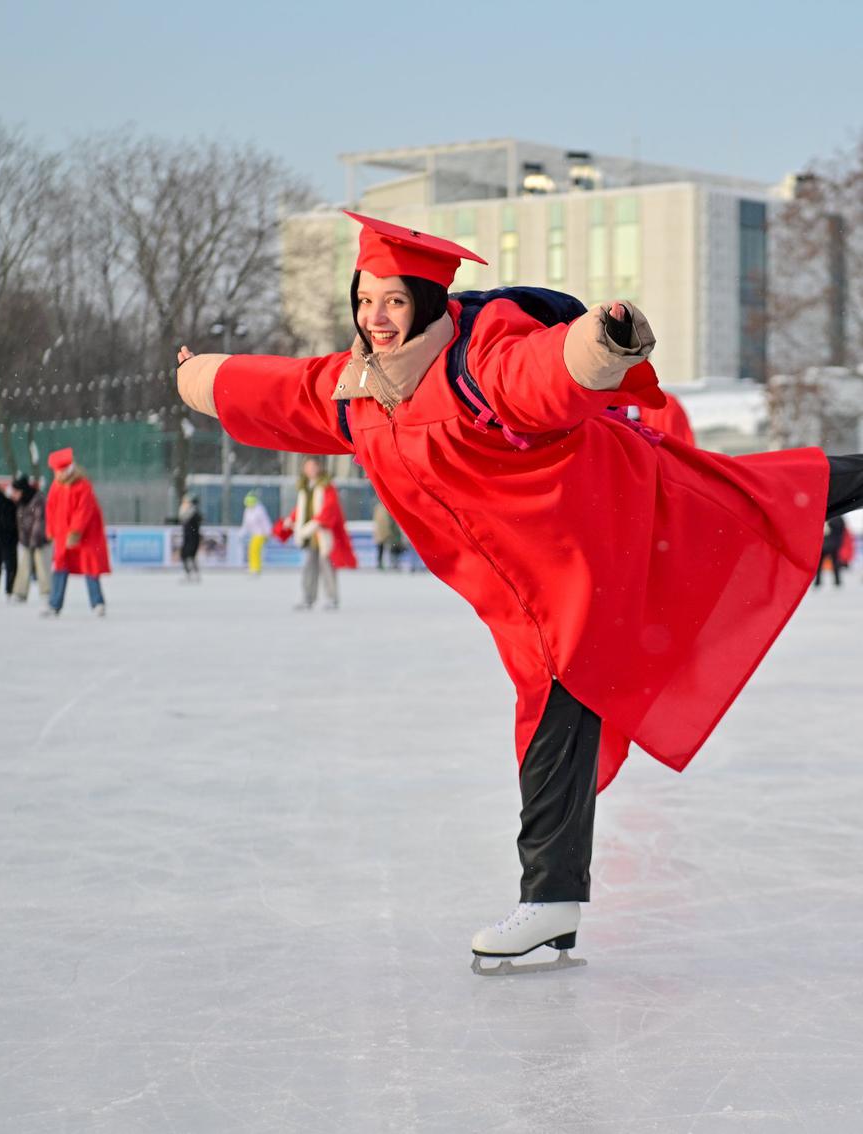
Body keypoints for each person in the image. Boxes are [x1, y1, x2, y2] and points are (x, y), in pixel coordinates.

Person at [176, 212, 863, 972]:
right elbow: (280, 390)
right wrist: (198, 377)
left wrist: (601, 342)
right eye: (366, 299)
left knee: (571, 689)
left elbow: (541, 374)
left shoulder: (480, 366)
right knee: (760, 492)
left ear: (430, 306)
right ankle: (553, 902)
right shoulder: (357, 392)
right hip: (540, 576)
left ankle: (549, 902)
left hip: (588, 543)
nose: (376, 317)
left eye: (395, 301)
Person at [271, 457, 357, 610]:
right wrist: (291, 520)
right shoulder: (305, 487)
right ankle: (308, 597)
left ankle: (332, 598)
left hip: (323, 533)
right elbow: (302, 509)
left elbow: (330, 508)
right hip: (310, 535)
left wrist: (317, 522)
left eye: (313, 466)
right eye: (308, 466)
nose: (310, 469)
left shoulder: (326, 486)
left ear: (319, 468)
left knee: (327, 566)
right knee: (309, 566)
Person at [43, 447, 111, 617]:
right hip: (61, 534)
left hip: (86, 536)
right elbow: (50, 509)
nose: (56, 475)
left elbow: (84, 510)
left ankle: (98, 603)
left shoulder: (83, 486)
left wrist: (75, 532)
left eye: (58, 472)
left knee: (90, 567)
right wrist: (51, 529)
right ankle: (54, 604)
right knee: (60, 566)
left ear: (67, 471)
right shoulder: (56, 487)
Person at [10, 474, 51, 604]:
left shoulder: (38, 499)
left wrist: (34, 541)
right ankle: (20, 593)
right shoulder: (21, 501)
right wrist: (24, 540)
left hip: (41, 540)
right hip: (27, 541)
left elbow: (40, 522)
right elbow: (21, 523)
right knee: (24, 566)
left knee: (42, 566)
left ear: (22, 490)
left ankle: (46, 592)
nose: (14, 494)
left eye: (16, 491)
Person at [239, 491, 272, 575]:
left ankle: (256, 568)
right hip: (254, 534)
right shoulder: (247, 511)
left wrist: (268, 533)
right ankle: (253, 567)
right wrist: (242, 533)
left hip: (261, 534)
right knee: (252, 550)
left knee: (255, 550)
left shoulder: (259, 509)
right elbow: (245, 524)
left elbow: (265, 522)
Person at [814, 515, 847, 587]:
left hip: (824, 545)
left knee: (819, 564)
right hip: (833, 544)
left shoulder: (825, 516)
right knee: (835, 563)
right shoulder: (839, 517)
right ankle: (837, 581)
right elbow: (842, 531)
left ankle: (818, 582)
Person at [372, 498, 404, 569]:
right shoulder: (380, 508)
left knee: (389, 548)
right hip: (383, 531)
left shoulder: (382, 507)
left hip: (386, 531)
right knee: (383, 548)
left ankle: (391, 563)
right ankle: (383, 563)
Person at [178, 493, 202, 582]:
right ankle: (188, 573)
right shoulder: (186, 512)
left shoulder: (194, 513)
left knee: (190, 556)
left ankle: (194, 574)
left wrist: (192, 530)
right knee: (185, 555)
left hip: (193, 538)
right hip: (187, 538)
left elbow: (194, 527)